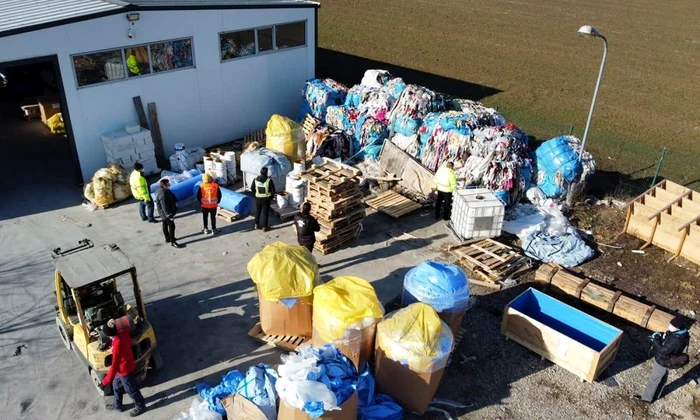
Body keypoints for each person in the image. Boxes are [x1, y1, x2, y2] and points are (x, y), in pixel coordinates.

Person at [635, 316, 690, 403]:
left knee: (654, 379)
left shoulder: (676, 339)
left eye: (672, 325)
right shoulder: (683, 333)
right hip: (671, 359)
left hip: (663, 361)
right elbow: (670, 342)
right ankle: (657, 395)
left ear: (677, 328)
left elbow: (663, 351)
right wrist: (661, 335)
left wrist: (655, 340)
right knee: (663, 377)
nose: (670, 326)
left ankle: (647, 399)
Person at [99, 320, 147, 417]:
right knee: (116, 386)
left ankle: (140, 406)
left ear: (108, 335)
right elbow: (128, 341)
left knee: (131, 390)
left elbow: (114, 366)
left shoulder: (117, 345)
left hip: (125, 371)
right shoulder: (122, 333)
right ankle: (117, 405)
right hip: (126, 366)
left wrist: (104, 382)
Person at [155, 179, 181, 248]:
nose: (169, 185)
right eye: (168, 184)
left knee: (165, 225)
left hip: (163, 213)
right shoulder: (163, 194)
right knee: (172, 226)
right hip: (166, 213)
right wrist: (169, 215)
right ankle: (173, 241)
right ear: (164, 185)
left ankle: (167, 238)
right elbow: (164, 206)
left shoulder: (161, 190)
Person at [252, 167, 275, 232]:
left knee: (258, 211)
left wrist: (255, 195)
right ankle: (265, 227)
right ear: (266, 173)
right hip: (266, 199)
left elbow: (252, 188)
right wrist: (270, 198)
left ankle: (256, 224)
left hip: (258, 199)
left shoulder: (256, 179)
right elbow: (273, 191)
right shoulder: (269, 180)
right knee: (265, 213)